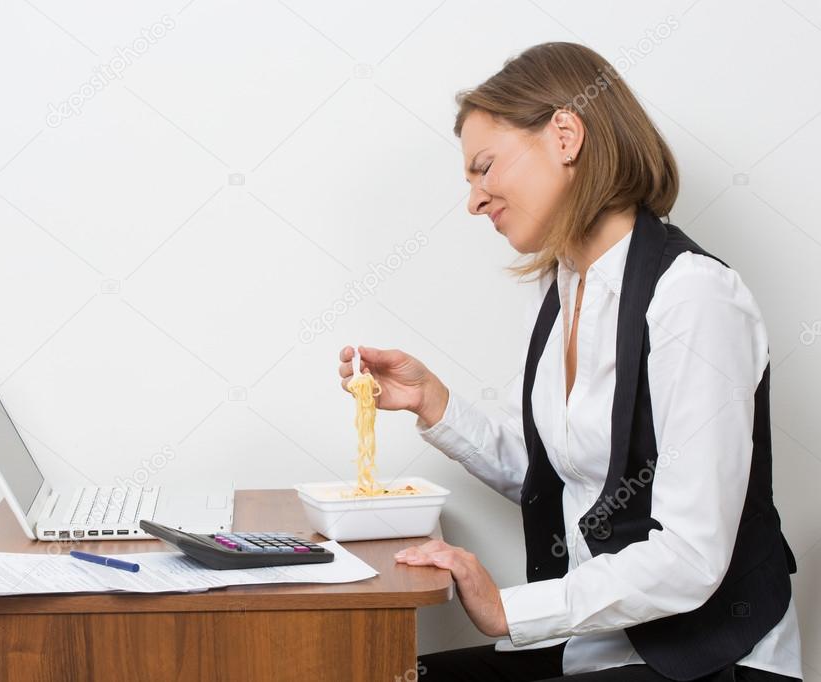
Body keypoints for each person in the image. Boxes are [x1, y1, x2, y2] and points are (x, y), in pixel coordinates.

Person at [337, 42, 801, 682]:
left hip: (707, 661)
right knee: (382, 670)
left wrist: (509, 610)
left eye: (484, 167)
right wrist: (433, 405)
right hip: (603, 644)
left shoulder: (692, 296)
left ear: (565, 133)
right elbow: (577, 478)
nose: (474, 200)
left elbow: (692, 555)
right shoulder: (569, 287)